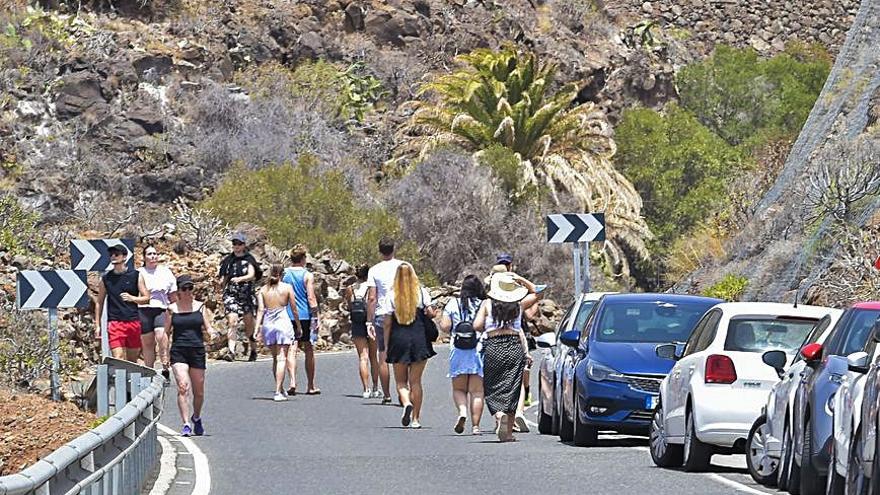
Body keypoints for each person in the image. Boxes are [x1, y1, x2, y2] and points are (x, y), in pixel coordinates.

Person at [473, 272, 541, 442]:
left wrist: (489, 328)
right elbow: (536, 292)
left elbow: (476, 325)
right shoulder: (518, 305)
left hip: (494, 346)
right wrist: (521, 279)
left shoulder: (487, 304)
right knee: (513, 387)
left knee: (491, 384)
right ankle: (508, 433)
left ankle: (498, 414)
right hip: (514, 346)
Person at [384, 263, 437, 428]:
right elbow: (431, 313)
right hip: (419, 337)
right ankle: (416, 419)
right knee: (416, 381)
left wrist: (387, 344)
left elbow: (386, 323)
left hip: (399, 338)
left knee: (401, 382)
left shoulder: (391, 295)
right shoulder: (421, 292)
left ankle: (406, 402)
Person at [165, 274, 217, 437]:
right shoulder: (172, 309)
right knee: (182, 386)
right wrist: (164, 355)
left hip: (197, 350)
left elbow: (208, 326)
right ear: (178, 291)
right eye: (184, 289)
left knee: (199, 391)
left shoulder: (200, 307)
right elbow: (166, 332)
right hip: (179, 350)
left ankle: (196, 417)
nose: (188, 292)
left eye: (190, 288)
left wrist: (212, 333)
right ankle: (186, 423)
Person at [439, 275, 485, 435]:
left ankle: (462, 412)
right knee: (477, 392)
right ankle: (476, 426)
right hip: (478, 350)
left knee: (459, 389)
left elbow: (445, 326)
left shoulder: (453, 303)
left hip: (458, 351)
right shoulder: (483, 305)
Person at [95, 242, 150, 362]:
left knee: (132, 360)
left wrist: (133, 298)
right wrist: (98, 325)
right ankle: (119, 380)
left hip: (133, 322)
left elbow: (146, 298)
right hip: (114, 323)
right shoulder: (106, 279)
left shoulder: (136, 275)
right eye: (111, 254)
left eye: (116, 254)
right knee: (118, 358)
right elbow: (99, 302)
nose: (113, 256)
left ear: (124, 257)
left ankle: (128, 380)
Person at [256, 264, 302, 402]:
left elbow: (260, 310)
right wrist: (298, 326)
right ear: (283, 274)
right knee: (282, 357)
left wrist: (257, 327)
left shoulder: (263, 290)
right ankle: (277, 391)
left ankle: (280, 388)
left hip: (268, 324)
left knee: (275, 358)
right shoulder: (287, 288)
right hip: (282, 322)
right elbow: (294, 309)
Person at [366, 237, 404, 404]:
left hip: (382, 314)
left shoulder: (374, 270)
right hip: (402, 313)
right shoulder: (404, 266)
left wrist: (369, 321)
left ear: (380, 251)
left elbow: (372, 297)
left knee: (383, 354)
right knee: (403, 354)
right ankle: (404, 390)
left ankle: (387, 394)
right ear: (394, 249)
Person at [283, 244, 320, 395]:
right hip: (304, 314)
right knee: (309, 348)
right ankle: (311, 385)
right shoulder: (307, 275)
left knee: (292, 347)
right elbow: (311, 297)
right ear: (303, 258)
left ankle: (292, 381)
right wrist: (316, 316)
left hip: (288, 314)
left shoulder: (285, 274)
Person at [218, 233, 260, 362]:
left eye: (239, 244)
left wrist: (240, 279)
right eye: (234, 244)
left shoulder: (249, 259)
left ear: (243, 245)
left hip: (246, 294)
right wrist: (222, 288)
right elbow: (224, 277)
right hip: (231, 293)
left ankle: (253, 349)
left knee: (248, 324)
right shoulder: (228, 260)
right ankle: (231, 351)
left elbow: (252, 274)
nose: (236, 246)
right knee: (233, 321)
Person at [138, 246, 177, 377]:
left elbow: (173, 293)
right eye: (150, 254)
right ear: (144, 257)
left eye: (155, 254)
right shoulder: (139, 273)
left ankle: (165, 364)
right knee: (148, 342)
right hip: (143, 309)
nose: (153, 256)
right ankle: (149, 372)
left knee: (161, 335)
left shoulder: (165, 272)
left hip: (161, 308)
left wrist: (175, 307)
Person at [344, 264, 380, 399]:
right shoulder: (371, 288)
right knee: (373, 357)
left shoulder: (350, 289)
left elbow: (349, 305)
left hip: (357, 322)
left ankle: (366, 389)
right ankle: (376, 388)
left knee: (362, 357)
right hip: (370, 322)